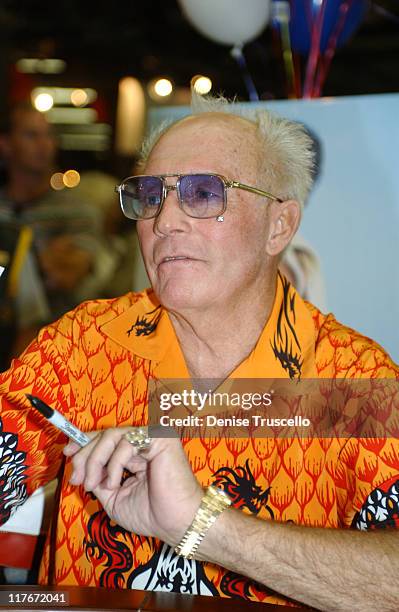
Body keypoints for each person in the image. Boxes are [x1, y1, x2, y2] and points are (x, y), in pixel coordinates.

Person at [0, 93, 398, 609]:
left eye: (205, 194)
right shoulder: (85, 347)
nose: (164, 222)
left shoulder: (351, 381)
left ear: (280, 225)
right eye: (150, 195)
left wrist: (201, 526)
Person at [0, 103, 118, 358]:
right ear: (6, 144)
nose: (44, 145)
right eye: (31, 135)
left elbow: (66, 274)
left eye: (49, 135)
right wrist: (34, 261)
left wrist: (15, 261)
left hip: (55, 346)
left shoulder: (79, 211)